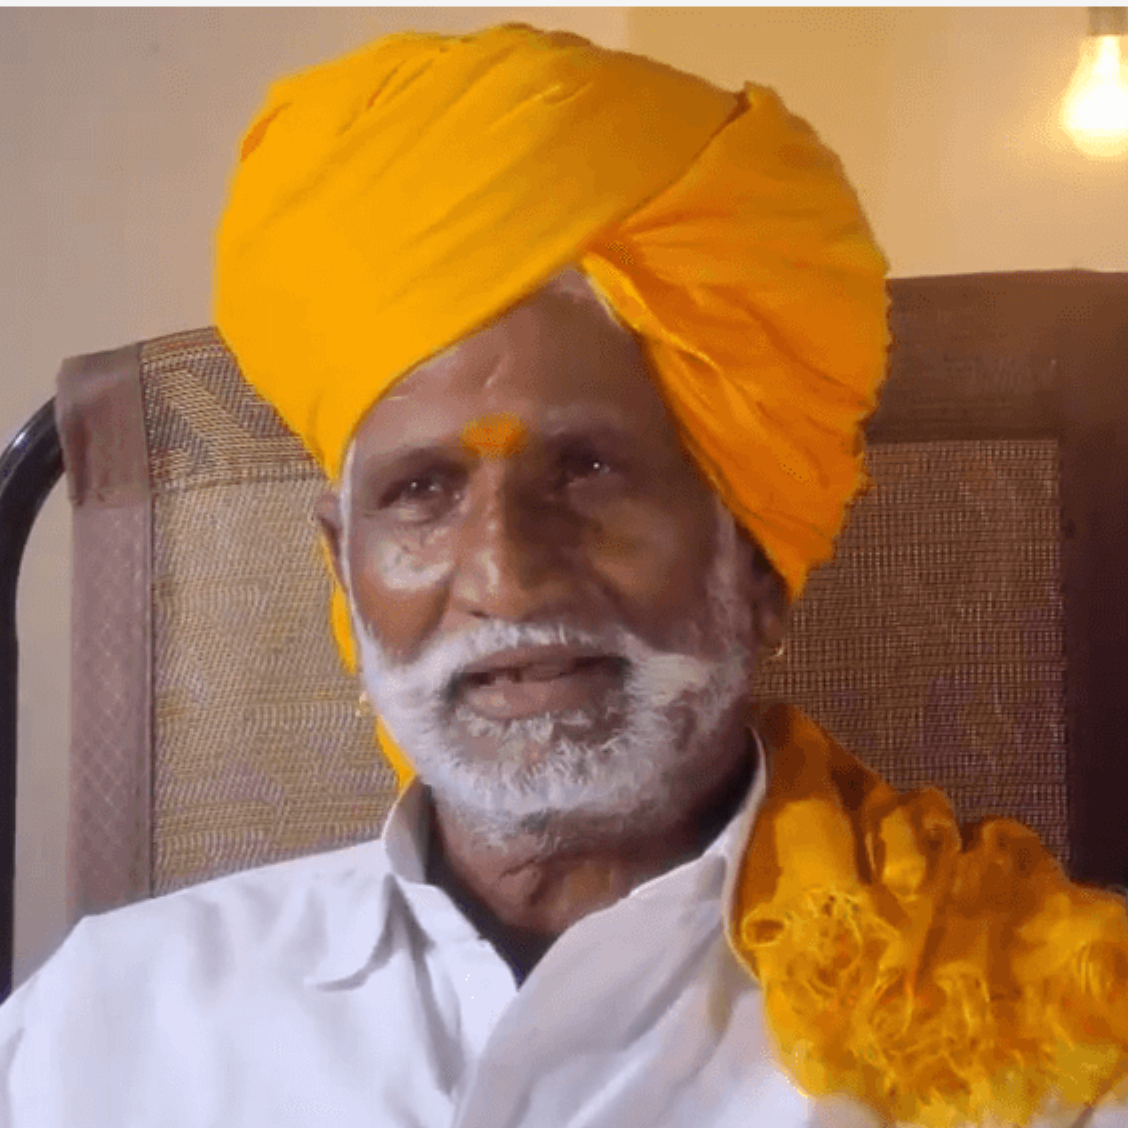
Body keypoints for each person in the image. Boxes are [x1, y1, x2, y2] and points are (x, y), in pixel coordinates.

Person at [1, 23, 1126, 1128]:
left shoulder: (1042, 1042)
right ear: (342, 572)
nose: (507, 577)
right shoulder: (113, 1021)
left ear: (754, 561)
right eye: (422, 492)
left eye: (587, 470)